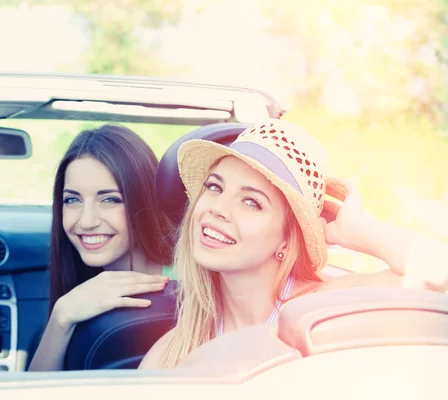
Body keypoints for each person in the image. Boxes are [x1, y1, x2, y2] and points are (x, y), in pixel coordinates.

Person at [139, 118, 448, 369]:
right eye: (214, 187)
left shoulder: (321, 311)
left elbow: (439, 273)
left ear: (287, 238)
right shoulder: (174, 350)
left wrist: (359, 232)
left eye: (251, 202)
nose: (217, 208)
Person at [29, 124, 176, 371]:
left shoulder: (189, 285)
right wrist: (60, 317)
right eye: (72, 200)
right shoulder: (78, 295)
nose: (86, 221)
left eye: (109, 199)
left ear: (144, 201)